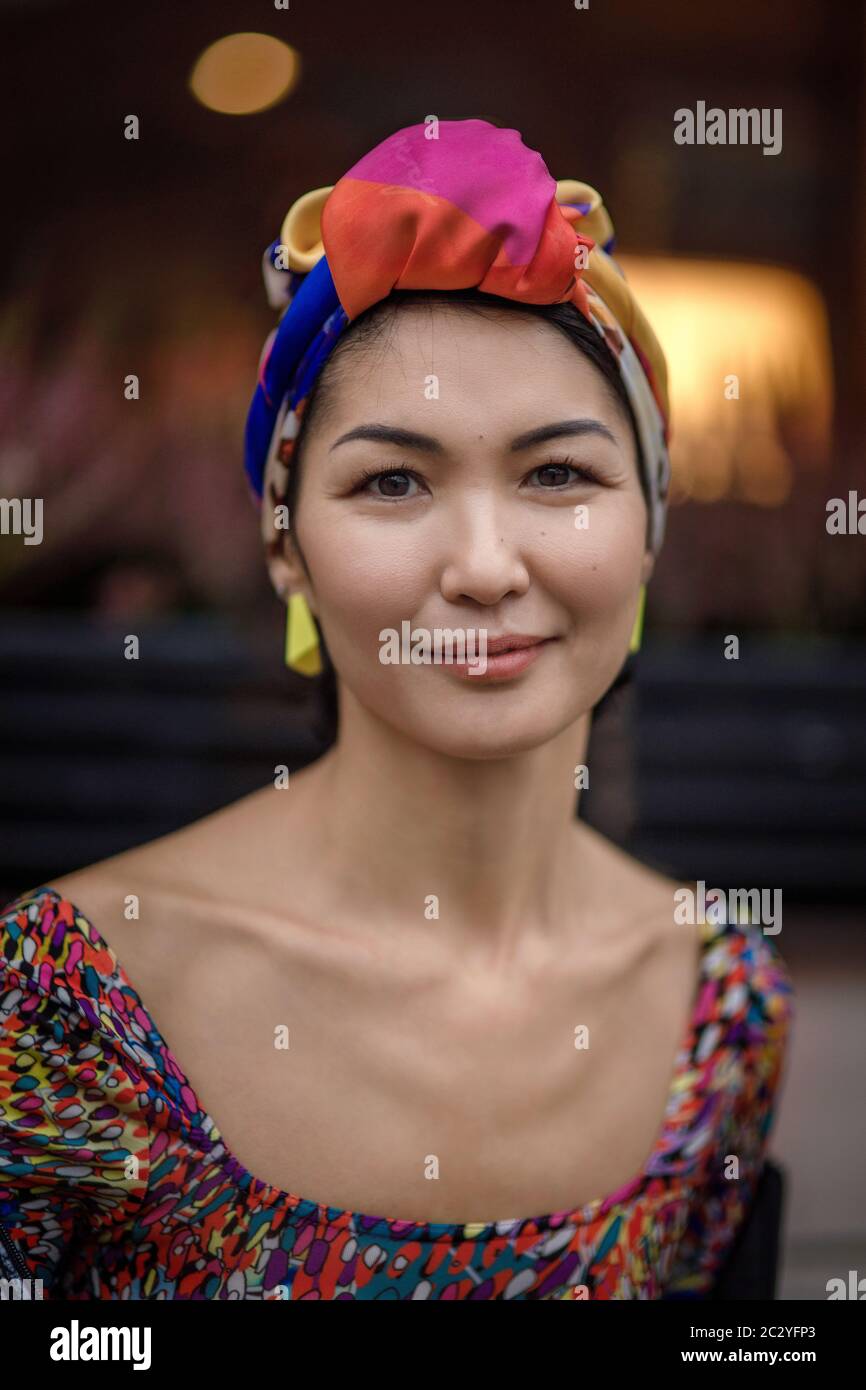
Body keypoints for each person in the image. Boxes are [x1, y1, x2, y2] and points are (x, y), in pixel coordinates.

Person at [0, 118, 793, 1300]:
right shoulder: (65, 1010)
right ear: (285, 548)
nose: (483, 563)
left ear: (647, 530)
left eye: (557, 474)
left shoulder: (718, 1012)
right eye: (391, 480)